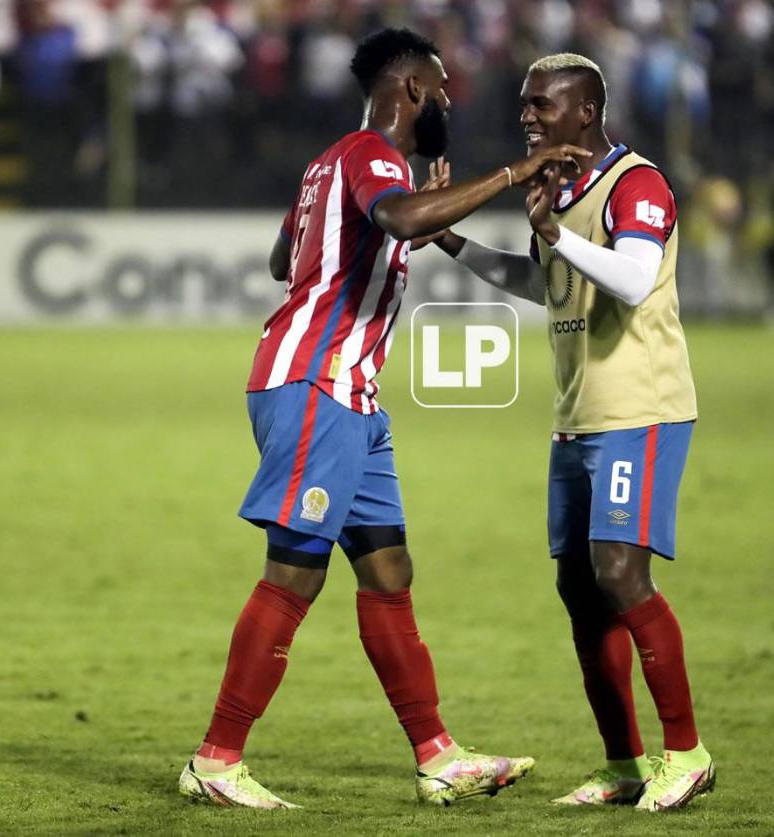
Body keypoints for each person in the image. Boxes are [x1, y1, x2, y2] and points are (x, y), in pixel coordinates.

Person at [179, 29, 590, 809]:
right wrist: (513, 172)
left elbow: (283, 259)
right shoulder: (372, 156)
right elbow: (397, 219)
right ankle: (216, 758)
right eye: (441, 89)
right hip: (317, 384)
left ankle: (438, 754)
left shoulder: (328, 165)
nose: (447, 101)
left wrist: (415, 216)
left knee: (388, 571)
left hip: (354, 397)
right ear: (409, 90)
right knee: (295, 573)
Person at [429, 53, 715, 812]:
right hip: (575, 416)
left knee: (621, 573)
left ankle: (685, 753)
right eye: (525, 103)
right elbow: (544, 281)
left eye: (542, 104)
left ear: (586, 110)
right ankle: (624, 764)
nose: (527, 115)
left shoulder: (637, 184)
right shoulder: (560, 188)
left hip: (641, 410)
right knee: (581, 591)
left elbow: (630, 277)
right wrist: (456, 243)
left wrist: (554, 228)